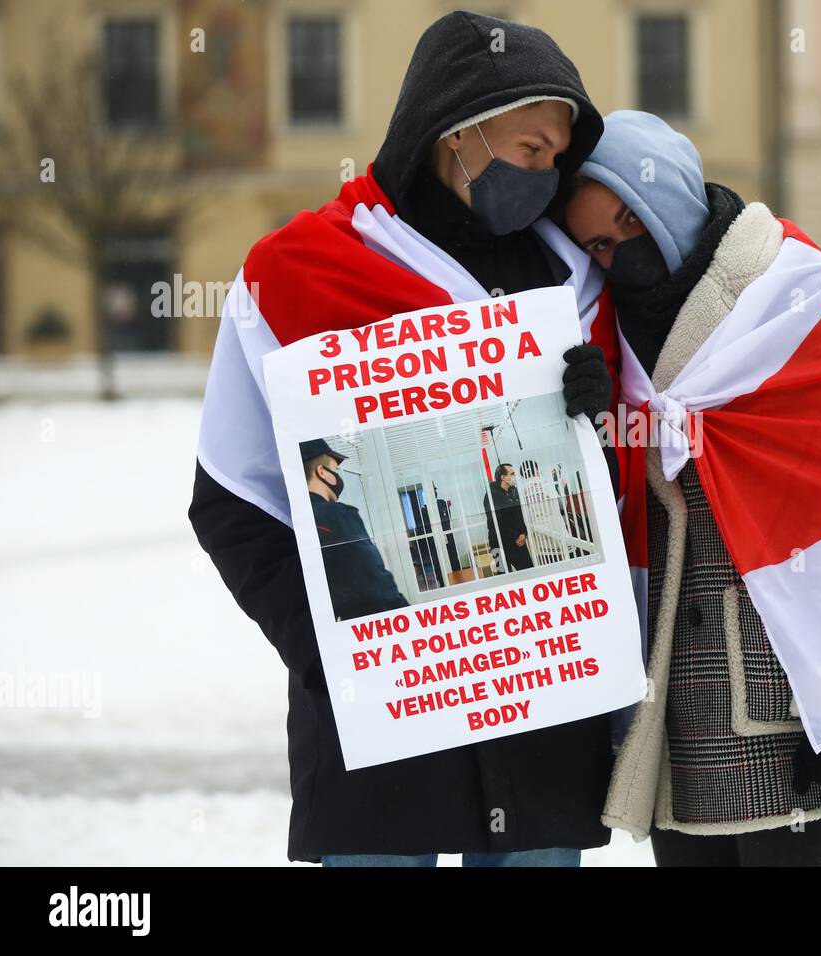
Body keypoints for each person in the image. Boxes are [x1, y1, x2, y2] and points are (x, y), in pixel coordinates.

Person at [189, 12, 618, 867]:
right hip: (381, 726)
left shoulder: (577, 283)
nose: (549, 173)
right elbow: (232, 500)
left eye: (559, 158)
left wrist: (599, 424)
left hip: (540, 711)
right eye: (531, 149)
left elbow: (630, 489)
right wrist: (339, 656)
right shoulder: (296, 272)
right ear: (455, 132)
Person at [564, 111, 821, 867]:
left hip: (793, 692)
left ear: (672, 190)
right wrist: (592, 425)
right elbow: (614, 494)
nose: (626, 249)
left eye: (632, 216)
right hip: (678, 687)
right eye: (601, 244)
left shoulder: (797, 291)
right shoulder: (605, 328)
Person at [302, 439, 408, 619]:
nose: (337, 477)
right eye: (335, 471)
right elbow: (374, 583)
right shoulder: (337, 516)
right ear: (322, 472)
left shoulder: (294, 520)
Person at [483, 463, 534, 572]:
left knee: (529, 572)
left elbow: (520, 515)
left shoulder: (513, 491)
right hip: (498, 543)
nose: (515, 477)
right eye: (512, 474)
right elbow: (496, 522)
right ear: (503, 477)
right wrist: (516, 536)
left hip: (518, 542)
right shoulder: (491, 495)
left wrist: (523, 533)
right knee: (504, 576)